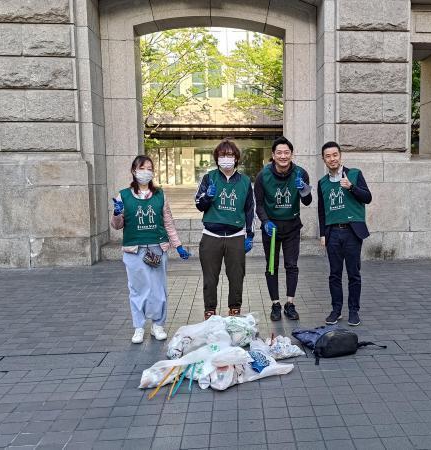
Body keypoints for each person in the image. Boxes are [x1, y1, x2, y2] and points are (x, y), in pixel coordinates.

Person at [111, 155, 191, 344]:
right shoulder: (123, 195)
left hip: (157, 248)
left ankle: (158, 325)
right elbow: (117, 225)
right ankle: (139, 327)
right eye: (142, 168)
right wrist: (116, 213)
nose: (146, 171)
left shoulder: (160, 194)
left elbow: (168, 222)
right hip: (134, 250)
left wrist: (177, 245)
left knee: (158, 289)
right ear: (134, 171)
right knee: (137, 289)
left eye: (149, 168)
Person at [194, 139, 255, 320]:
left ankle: (234, 312)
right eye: (222, 155)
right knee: (210, 279)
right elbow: (199, 204)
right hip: (211, 236)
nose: (226, 158)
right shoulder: (209, 177)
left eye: (229, 155)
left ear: (236, 158)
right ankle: (210, 313)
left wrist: (249, 235)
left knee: (236, 278)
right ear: (217, 158)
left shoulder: (245, 181)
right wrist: (207, 197)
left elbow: (249, 209)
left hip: (236, 236)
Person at [254, 136, 312, 321]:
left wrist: (303, 189)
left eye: (286, 152)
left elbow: (307, 201)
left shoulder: (301, 173)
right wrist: (265, 222)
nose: (283, 156)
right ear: (273, 155)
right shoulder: (263, 175)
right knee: (272, 266)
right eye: (279, 152)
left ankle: (290, 304)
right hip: (271, 229)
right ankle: (275, 304)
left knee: (292, 265)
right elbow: (259, 205)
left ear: (291, 154)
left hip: (292, 227)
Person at [317, 141, 372, 326]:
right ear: (323, 159)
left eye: (335, 155)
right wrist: (323, 234)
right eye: (328, 156)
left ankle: (354, 311)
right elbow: (321, 210)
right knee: (334, 274)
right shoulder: (322, 183)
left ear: (340, 156)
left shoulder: (354, 174)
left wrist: (351, 187)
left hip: (352, 232)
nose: (332, 159)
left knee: (353, 273)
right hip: (333, 233)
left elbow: (367, 197)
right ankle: (336, 310)